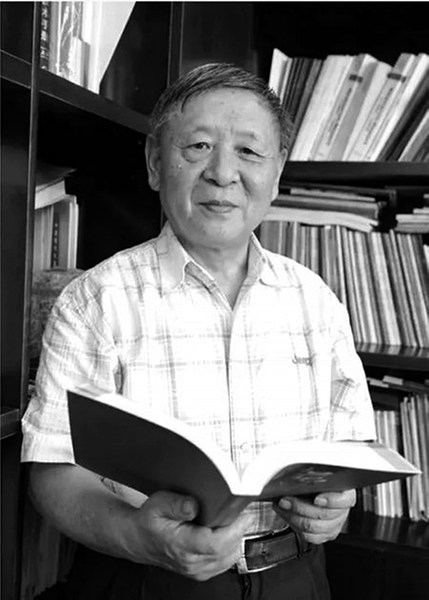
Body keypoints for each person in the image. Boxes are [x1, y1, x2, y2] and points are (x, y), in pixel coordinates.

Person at [21, 63, 376, 600]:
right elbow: (52, 473)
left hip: (296, 578)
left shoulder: (316, 301)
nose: (223, 173)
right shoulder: (95, 299)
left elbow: (352, 450)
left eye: (249, 151)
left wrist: (333, 506)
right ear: (155, 163)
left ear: (277, 172)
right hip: (144, 580)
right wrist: (140, 536)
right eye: (199, 146)